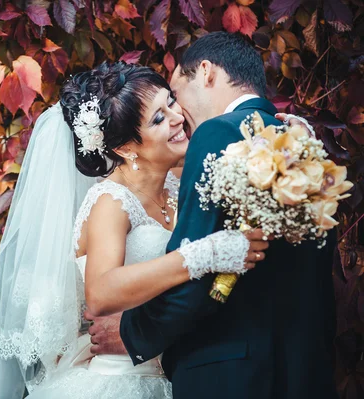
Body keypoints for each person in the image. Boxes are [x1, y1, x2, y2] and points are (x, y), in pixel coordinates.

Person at [0, 61, 270, 399]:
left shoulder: (179, 180)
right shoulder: (110, 201)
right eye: (158, 119)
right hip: (121, 381)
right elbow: (101, 291)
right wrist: (204, 254)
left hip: (180, 370)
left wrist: (281, 131)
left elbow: (239, 157)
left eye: (171, 101)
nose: (176, 118)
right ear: (125, 148)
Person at [118, 32, 338, 399]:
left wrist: (129, 333)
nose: (177, 113)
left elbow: (194, 277)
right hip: (305, 370)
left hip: (229, 376)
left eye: (176, 94)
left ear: (205, 72)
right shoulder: (304, 143)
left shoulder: (218, 132)